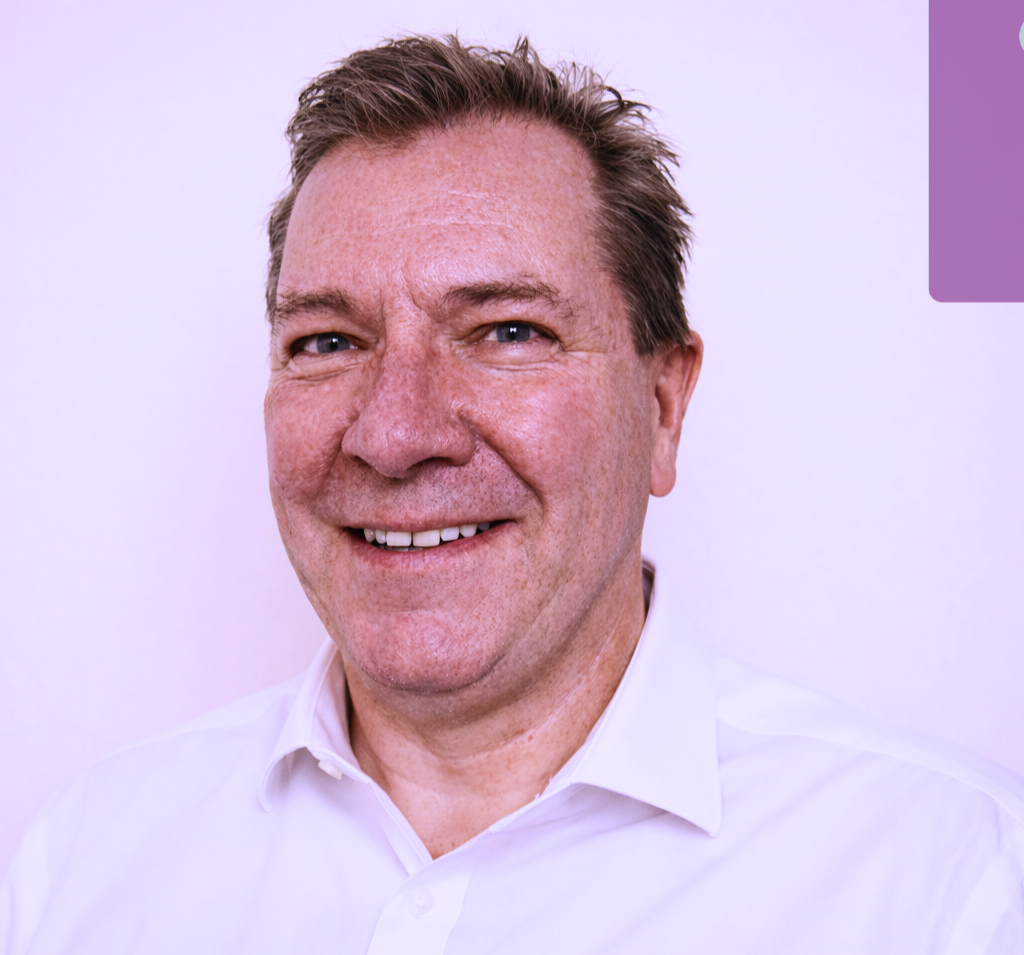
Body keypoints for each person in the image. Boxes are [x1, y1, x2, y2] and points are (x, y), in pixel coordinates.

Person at [2, 34, 1022, 955]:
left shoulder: (952, 883)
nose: (395, 435)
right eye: (328, 341)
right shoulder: (82, 861)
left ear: (663, 406)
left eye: (508, 331)